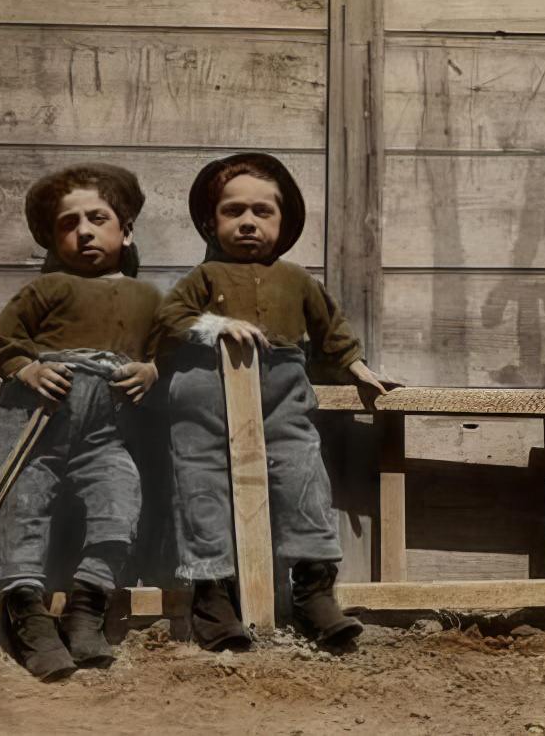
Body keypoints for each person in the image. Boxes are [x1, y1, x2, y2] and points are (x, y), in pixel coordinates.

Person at [154, 152, 397, 651]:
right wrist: (218, 326)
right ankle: (212, 598)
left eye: (262, 212)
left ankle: (313, 594)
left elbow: (332, 332)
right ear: (210, 220)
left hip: (282, 396)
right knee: (202, 490)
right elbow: (167, 319)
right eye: (233, 211)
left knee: (303, 478)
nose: (247, 222)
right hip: (204, 402)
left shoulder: (297, 280)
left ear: (282, 223)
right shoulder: (203, 278)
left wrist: (357, 368)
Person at [0, 163, 161, 680]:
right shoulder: (44, 290)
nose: (83, 230)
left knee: (120, 501)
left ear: (125, 230)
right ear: (53, 238)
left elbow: (166, 349)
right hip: (36, 422)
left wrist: (152, 370)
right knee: (22, 506)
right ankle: (29, 620)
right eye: (68, 223)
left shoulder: (148, 298)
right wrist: (29, 369)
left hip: (107, 433)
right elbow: (5, 343)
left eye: (97, 218)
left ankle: (88, 610)